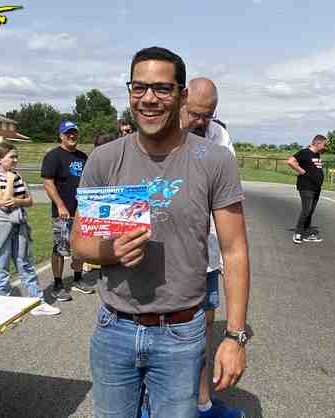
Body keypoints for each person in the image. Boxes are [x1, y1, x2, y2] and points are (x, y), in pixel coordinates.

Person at [71, 47, 250, 418]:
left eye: (162, 89)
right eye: (139, 88)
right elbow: (78, 243)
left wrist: (234, 337)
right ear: (130, 92)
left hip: (181, 334)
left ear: (182, 96)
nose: (149, 98)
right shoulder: (105, 159)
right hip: (114, 329)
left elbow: (234, 252)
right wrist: (111, 251)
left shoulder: (215, 160)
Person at [181, 77, 244, 418]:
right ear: (182, 101)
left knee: (203, 332)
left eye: (208, 115)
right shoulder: (162, 132)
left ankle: (203, 403)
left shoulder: (219, 137)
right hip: (167, 258)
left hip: (206, 256)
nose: (201, 122)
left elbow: (224, 190)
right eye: (195, 113)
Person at [0, 143, 60, 316]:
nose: (15, 160)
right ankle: (3, 306)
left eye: (16, 156)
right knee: (0, 266)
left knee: (25, 264)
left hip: (19, 223)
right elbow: (3, 203)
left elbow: (29, 200)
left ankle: (38, 303)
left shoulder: (18, 175)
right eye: (12, 157)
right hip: (0, 225)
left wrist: (18, 201)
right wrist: (10, 181)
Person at [40, 121, 94, 301]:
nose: (72, 136)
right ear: (61, 136)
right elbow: (48, 183)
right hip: (63, 212)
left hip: (82, 211)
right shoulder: (53, 156)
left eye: (74, 133)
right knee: (60, 248)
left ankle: (78, 279)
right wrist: (60, 205)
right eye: (68, 133)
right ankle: (57, 283)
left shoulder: (83, 157)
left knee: (80, 247)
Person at [286, 135, 327, 244]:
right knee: (307, 209)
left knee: (311, 210)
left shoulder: (317, 154)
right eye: (323, 144)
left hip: (316, 187)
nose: (324, 147)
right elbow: (290, 161)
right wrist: (301, 171)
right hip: (306, 186)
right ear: (317, 143)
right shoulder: (304, 152)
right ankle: (298, 233)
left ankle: (307, 232)